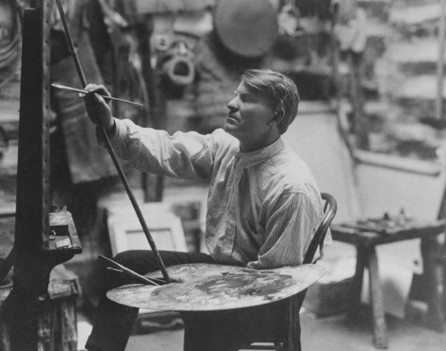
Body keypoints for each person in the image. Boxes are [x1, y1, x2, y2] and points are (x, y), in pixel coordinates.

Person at [83, 69, 325, 351]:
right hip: (223, 270)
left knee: (201, 310)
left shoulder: (290, 188)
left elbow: (273, 283)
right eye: (236, 95)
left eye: (246, 99)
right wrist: (110, 125)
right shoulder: (229, 145)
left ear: (275, 117)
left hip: (262, 298)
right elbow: (170, 149)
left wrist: (194, 288)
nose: (231, 103)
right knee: (122, 267)